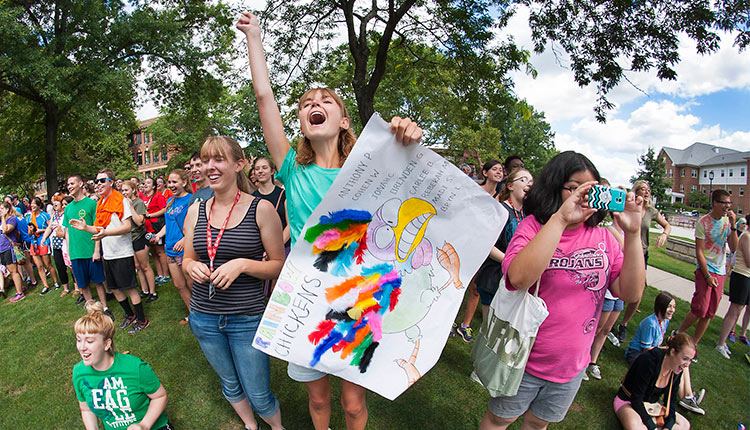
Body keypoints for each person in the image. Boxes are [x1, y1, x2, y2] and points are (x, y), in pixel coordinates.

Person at [240, 11, 423, 430]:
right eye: (306, 104)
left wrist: (409, 137)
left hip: (360, 295)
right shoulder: (291, 167)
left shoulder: (373, 167)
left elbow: (414, 192)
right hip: (307, 295)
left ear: (344, 120)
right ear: (302, 124)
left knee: (354, 404)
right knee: (319, 399)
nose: (313, 105)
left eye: (325, 101)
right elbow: (264, 97)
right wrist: (255, 37)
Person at [479, 151, 645, 430]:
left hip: (571, 367)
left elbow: (630, 293)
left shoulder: (605, 238)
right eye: (574, 188)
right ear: (555, 187)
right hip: (522, 358)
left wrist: (633, 233)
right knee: (499, 420)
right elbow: (518, 278)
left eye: (592, 189)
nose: (584, 196)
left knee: (537, 425)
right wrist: (560, 219)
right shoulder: (533, 227)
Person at [182, 136, 285, 430]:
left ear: (239, 164)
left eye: (218, 160)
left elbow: (278, 265)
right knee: (229, 384)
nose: (209, 167)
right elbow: (187, 259)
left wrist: (241, 265)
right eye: (205, 160)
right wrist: (193, 268)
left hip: (246, 318)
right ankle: (251, 427)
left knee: (259, 394)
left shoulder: (261, 209)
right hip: (203, 317)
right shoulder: (195, 211)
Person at [70, 169, 149, 334]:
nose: (98, 184)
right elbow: (100, 228)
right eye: (96, 181)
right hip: (109, 253)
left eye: (102, 181)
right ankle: (130, 314)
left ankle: (142, 320)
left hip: (122, 252)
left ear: (111, 182)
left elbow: (127, 227)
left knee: (130, 287)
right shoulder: (101, 203)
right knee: (114, 287)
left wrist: (106, 233)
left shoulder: (121, 200)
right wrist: (86, 227)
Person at [73, 300, 170, 430]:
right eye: (79, 340)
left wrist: (144, 425)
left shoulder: (135, 367)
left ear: (106, 344)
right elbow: (86, 409)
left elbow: (160, 396)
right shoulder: (79, 373)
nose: (82, 347)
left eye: (89, 341)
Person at [674, 189, 738, 354]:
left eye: (729, 203)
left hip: (721, 271)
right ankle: (679, 333)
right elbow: (699, 251)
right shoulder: (704, 222)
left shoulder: (727, 222)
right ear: (715, 203)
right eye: (724, 203)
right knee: (699, 309)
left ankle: (693, 344)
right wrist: (707, 275)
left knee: (710, 313)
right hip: (705, 269)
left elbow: (734, 248)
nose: (727, 206)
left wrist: (733, 226)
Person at [623, 292, 705, 415]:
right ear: (661, 306)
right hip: (637, 355)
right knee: (676, 360)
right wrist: (666, 350)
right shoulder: (650, 324)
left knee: (683, 362)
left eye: (674, 307)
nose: (673, 310)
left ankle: (688, 396)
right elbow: (646, 349)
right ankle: (687, 397)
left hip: (653, 353)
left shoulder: (664, 322)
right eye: (670, 307)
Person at [455, 160, 506, 342]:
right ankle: (449, 319)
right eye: (495, 169)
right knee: (456, 283)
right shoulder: (476, 192)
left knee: (476, 288)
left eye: (501, 170)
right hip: (466, 242)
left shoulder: (501, 199)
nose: (499, 172)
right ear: (485, 172)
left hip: (486, 249)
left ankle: (465, 325)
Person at [616, 180, 672, 343]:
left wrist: (664, 235)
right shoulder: (629, 205)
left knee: (638, 292)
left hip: (642, 254)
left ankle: (623, 324)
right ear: (636, 191)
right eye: (642, 189)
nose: (646, 192)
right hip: (623, 250)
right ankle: (610, 318)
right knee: (618, 286)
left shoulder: (651, 211)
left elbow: (667, 225)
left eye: (648, 189)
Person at [615, 333, 694, 430]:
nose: (687, 364)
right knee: (635, 426)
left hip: (651, 406)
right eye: (685, 359)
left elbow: (671, 402)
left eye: (690, 360)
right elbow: (636, 398)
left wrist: (668, 427)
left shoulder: (677, 369)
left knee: (684, 425)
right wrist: (652, 427)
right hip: (629, 401)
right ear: (673, 352)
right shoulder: (649, 360)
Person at [64, 174, 112, 316]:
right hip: (75, 252)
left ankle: (104, 308)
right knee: (83, 284)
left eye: (72, 183)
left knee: (98, 281)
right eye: (68, 184)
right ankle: (92, 310)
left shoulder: (91, 204)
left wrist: (96, 250)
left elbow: (97, 228)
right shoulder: (68, 208)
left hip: (90, 250)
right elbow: (67, 231)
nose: (70, 186)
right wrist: (68, 252)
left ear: (80, 184)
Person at [154, 169, 193, 324]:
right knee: (179, 285)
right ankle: (193, 314)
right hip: (169, 249)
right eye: (169, 182)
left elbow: (196, 224)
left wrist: (185, 239)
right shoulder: (170, 202)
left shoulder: (191, 200)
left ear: (184, 182)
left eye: (175, 182)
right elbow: (169, 224)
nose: (171, 185)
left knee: (192, 284)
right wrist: (159, 235)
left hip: (186, 250)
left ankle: (204, 314)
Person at [716, 213, 750, 358]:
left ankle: (724, 343)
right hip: (741, 276)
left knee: (739, 310)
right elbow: (749, 261)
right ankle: (721, 343)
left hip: (747, 277)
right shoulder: (747, 236)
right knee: (734, 311)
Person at [121, 180, 158, 302]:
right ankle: (145, 290)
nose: (124, 193)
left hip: (139, 238)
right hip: (129, 239)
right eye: (122, 190)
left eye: (126, 190)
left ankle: (153, 292)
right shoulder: (123, 204)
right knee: (138, 266)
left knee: (145, 266)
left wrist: (130, 206)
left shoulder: (138, 202)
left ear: (133, 189)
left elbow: (139, 222)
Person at [27, 196, 60, 294]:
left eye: (34, 204)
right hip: (34, 243)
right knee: (39, 266)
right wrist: (31, 231)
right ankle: (46, 285)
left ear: (38, 205)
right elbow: (29, 233)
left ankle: (55, 282)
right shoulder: (29, 217)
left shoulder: (45, 215)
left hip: (43, 242)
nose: (32, 206)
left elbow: (51, 227)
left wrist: (42, 230)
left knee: (48, 264)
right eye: (31, 204)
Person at [41, 194, 72, 296]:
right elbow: (49, 227)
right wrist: (44, 238)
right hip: (56, 244)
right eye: (53, 202)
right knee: (60, 266)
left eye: (56, 202)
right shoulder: (54, 215)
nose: (54, 204)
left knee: (70, 265)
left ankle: (77, 287)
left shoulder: (67, 214)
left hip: (65, 242)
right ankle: (65, 288)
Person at [143, 177, 169, 285]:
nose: (145, 184)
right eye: (144, 183)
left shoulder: (158, 196)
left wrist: (150, 215)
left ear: (153, 186)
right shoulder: (144, 198)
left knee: (160, 251)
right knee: (153, 252)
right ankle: (159, 274)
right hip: (147, 229)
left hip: (156, 227)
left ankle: (166, 274)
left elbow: (164, 209)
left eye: (148, 183)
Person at [0, 201, 25, 301]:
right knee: (10, 270)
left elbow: (6, 230)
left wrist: (3, 216)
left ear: (7, 209)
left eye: (2, 208)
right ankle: (21, 288)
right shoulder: (3, 221)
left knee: (13, 271)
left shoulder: (12, 219)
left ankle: (20, 293)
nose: (0, 211)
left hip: (9, 248)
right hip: (2, 249)